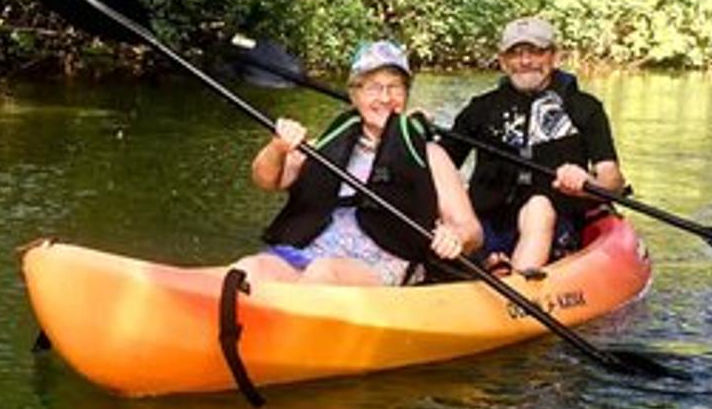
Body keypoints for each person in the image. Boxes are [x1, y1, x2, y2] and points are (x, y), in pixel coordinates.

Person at [235, 41, 481, 287]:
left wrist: (456, 237)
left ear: (406, 93)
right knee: (249, 269)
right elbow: (266, 179)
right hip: (312, 249)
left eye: (395, 87)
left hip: (379, 261)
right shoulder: (324, 144)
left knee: (324, 274)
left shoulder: (430, 155)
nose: (385, 97)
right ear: (355, 94)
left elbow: (471, 230)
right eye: (373, 87)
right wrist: (277, 147)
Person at [446, 16, 626, 276]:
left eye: (535, 51)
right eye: (515, 53)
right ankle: (488, 264)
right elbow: (441, 166)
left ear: (554, 56)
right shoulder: (480, 109)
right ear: (503, 61)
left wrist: (588, 184)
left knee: (538, 207)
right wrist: (415, 134)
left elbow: (613, 181)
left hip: (555, 227)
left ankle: (515, 280)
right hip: (486, 226)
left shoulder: (585, 108)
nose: (525, 61)